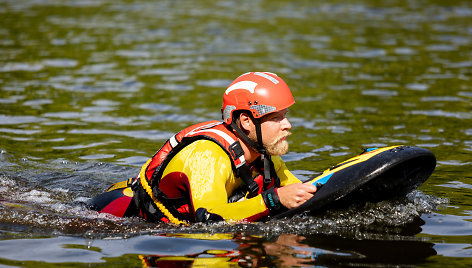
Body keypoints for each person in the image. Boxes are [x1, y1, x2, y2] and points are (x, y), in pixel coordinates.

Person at [89, 72, 317, 224]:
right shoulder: (207, 156)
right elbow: (208, 216)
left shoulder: (263, 154)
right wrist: (273, 200)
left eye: (285, 116)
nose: (287, 125)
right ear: (247, 122)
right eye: (276, 118)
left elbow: (301, 190)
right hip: (110, 214)